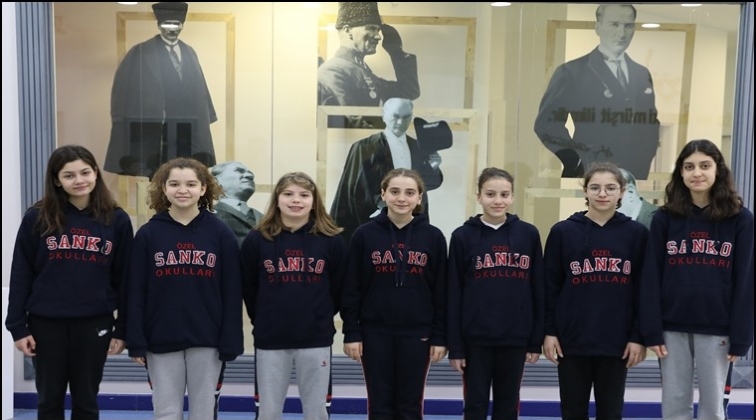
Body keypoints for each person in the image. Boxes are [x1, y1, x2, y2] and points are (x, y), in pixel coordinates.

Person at [5, 145, 133, 420]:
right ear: (56, 180)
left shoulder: (116, 220)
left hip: (94, 322)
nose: (79, 180)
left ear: (96, 173)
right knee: (48, 400)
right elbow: (21, 273)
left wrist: (122, 328)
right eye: (69, 175)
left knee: (86, 400)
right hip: (45, 323)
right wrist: (17, 326)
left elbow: (124, 279)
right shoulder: (37, 217)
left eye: (85, 172)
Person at [639, 139, 754, 420]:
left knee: (713, 408)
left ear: (718, 170)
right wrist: (651, 329)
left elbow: (746, 280)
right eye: (689, 167)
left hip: (718, 327)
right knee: (675, 404)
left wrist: (742, 336)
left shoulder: (740, 219)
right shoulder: (665, 218)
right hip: (671, 326)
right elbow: (651, 276)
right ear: (680, 172)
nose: (697, 173)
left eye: (705, 166)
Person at [126, 157, 244, 420]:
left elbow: (232, 291)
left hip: (208, 338)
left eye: (191, 184)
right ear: (163, 188)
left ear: (203, 188)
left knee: (203, 412)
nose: (183, 190)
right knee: (166, 411)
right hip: (160, 337)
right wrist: (136, 339)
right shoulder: (148, 235)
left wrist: (231, 338)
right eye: (174, 184)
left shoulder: (221, 233)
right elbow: (135, 292)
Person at [542, 162, 648, 420]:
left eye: (610, 188)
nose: (602, 194)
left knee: (611, 412)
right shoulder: (563, 232)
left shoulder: (637, 234)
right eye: (595, 188)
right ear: (585, 191)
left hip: (617, 341)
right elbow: (550, 287)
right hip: (572, 340)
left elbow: (643, 290)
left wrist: (638, 336)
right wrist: (549, 331)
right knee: (572, 411)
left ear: (621, 191)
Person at [341, 168, 448, 420]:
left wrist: (439, 336)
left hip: (418, 333)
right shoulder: (364, 235)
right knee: (379, 405)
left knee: (410, 405)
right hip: (374, 332)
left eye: (410, 192)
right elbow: (351, 288)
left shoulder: (433, 237)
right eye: (395, 191)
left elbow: (442, 292)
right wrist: (352, 332)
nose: (402, 198)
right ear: (383, 194)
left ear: (419, 197)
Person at [241, 171, 347, 420]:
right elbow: (249, 288)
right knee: (268, 412)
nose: (296, 200)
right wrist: (266, 318)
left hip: (316, 338)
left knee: (316, 412)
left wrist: (318, 315)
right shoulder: (257, 240)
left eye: (304, 195)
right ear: (277, 200)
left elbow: (340, 288)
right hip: (270, 339)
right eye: (288, 194)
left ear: (314, 201)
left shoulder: (332, 241)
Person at [446, 167, 545, 420]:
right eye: (490, 194)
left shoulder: (528, 235)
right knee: (474, 405)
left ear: (512, 197)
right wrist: (456, 347)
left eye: (504, 194)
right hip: (475, 339)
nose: (498, 201)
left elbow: (538, 290)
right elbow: (453, 294)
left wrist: (535, 340)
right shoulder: (462, 236)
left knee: (508, 406)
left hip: (515, 337)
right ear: (478, 196)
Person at [534, 4, 660, 179]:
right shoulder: (572, 72)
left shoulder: (641, 73)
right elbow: (547, 124)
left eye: (628, 25)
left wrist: (642, 163)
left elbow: (650, 124)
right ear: (598, 27)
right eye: (614, 24)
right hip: (590, 174)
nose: (621, 33)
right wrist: (575, 159)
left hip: (632, 176)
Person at [104, 2, 217, 179]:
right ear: (159, 25)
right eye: (167, 25)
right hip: (156, 127)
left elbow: (201, 89)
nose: (171, 29)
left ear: (182, 26)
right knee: (158, 174)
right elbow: (121, 90)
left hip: (187, 127)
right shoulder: (141, 52)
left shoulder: (189, 52)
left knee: (187, 172)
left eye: (176, 25)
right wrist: (119, 120)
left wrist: (206, 118)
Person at [330, 97, 444, 243]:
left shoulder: (418, 147)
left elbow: (427, 185)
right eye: (395, 116)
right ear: (384, 115)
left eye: (406, 117)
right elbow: (352, 190)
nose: (400, 122)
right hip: (374, 225)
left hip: (412, 224)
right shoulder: (364, 147)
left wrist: (433, 166)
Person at [317, 2, 420, 128]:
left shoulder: (362, 71)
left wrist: (397, 52)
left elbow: (409, 92)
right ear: (347, 30)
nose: (378, 36)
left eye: (378, 30)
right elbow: (354, 123)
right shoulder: (332, 71)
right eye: (371, 28)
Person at [210, 160, 264, 247]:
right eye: (239, 171)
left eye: (251, 174)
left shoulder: (265, 218)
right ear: (216, 180)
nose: (250, 176)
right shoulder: (207, 216)